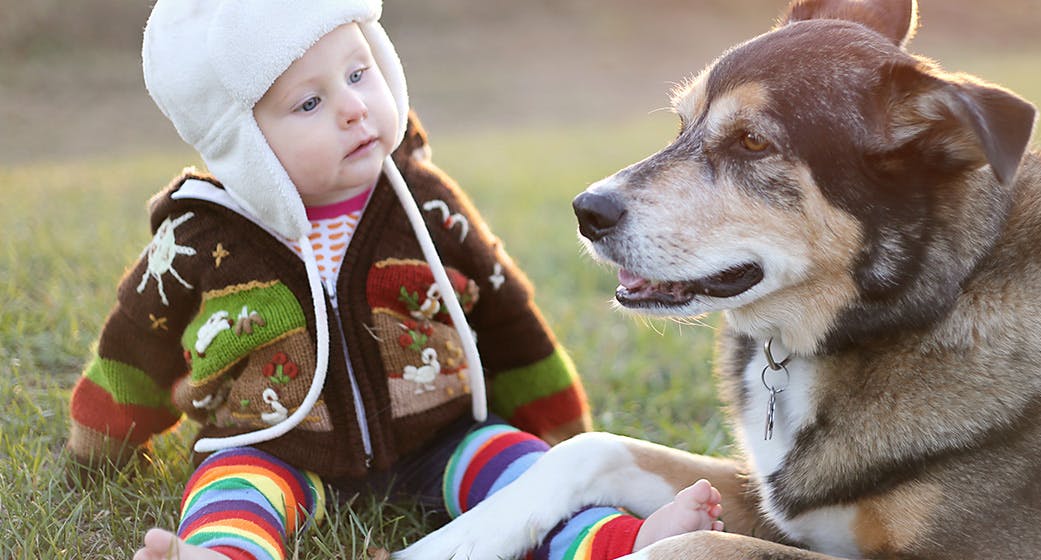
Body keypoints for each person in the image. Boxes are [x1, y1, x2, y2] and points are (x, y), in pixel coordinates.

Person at [62, 1, 723, 559]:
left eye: (359, 72)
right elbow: (133, 343)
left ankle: (629, 543)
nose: (353, 108)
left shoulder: (424, 203)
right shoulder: (202, 235)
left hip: (440, 435)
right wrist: (100, 447)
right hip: (277, 443)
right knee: (232, 488)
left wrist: (557, 426)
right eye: (310, 102)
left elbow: (503, 311)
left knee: (526, 476)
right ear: (242, 142)